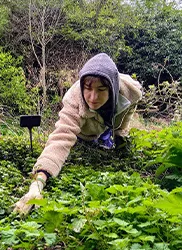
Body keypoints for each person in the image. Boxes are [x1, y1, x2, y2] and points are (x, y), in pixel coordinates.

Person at [14, 53, 142, 214]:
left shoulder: (130, 91)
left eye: (101, 90)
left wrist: (120, 135)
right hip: (84, 133)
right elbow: (60, 140)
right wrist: (37, 184)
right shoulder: (73, 102)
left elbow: (127, 112)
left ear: (113, 88)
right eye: (87, 89)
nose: (93, 97)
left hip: (107, 123)